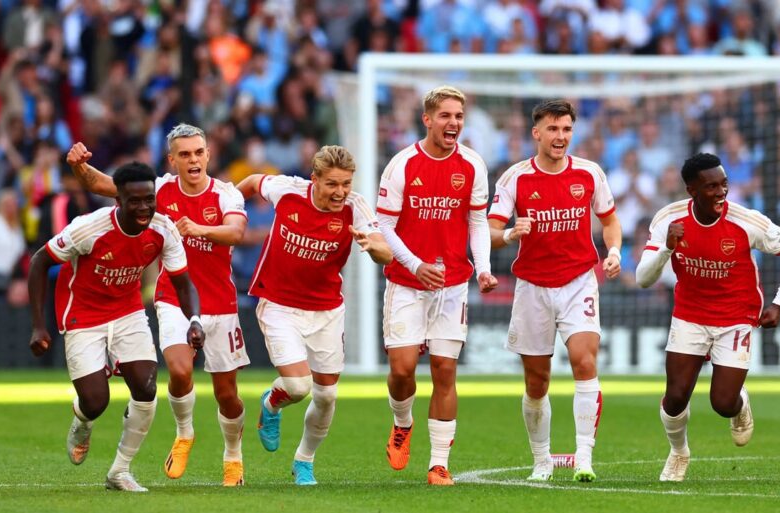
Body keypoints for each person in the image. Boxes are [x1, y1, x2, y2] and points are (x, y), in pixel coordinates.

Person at [66, 123, 250, 486]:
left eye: (199, 152)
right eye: (185, 154)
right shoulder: (160, 189)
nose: (193, 160)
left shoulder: (226, 194)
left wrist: (199, 229)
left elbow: (236, 233)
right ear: (172, 160)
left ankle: (233, 455)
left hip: (220, 303)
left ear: (208, 155)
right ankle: (184, 433)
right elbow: (103, 185)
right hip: (173, 297)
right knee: (179, 371)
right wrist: (78, 166)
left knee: (227, 395)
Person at [27, 162, 205, 492]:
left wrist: (194, 319)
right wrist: (38, 326)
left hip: (127, 311)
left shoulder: (164, 229)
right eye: (134, 201)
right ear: (118, 200)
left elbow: (183, 284)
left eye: (149, 199)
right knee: (96, 401)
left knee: (146, 388)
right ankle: (82, 420)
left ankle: (119, 472)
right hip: (83, 314)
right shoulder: (89, 228)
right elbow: (39, 261)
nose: (144, 207)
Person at [636, 153, 780, 482]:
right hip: (690, 314)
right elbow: (643, 279)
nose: (721, 192)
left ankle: (739, 403)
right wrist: (668, 248)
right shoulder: (668, 220)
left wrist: (779, 304)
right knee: (675, 397)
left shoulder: (746, 221)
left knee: (722, 403)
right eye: (711, 186)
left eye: (724, 184)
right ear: (692, 190)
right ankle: (678, 453)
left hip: (736, 316)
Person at [236, 145, 392, 486]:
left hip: (326, 310)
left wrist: (374, 248)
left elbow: (384, 250)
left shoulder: (355, 207)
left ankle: (304, 461)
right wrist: (230, 213)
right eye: (332, 184)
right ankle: (271, 405)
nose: (340, 192)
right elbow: (250, 183)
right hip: (278, 304)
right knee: (297, 385)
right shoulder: (288, 190)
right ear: (315, 179)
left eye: (346, 184)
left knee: (326, 396)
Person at [488, 99, 622, 483]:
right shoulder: (515, 178)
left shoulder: (590, 173)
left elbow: (610, 221)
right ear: (537, 133)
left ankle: (584, 457)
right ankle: (542, 460)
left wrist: (613, 252)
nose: (560, 136)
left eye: (566, 129)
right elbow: (489, 232)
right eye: (553, 129)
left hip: (579, 281)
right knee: (537, 382)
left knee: (584, 361)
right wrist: (510, 234)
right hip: (532, 287)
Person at [375, 85, 498, 486]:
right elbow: (384, 226)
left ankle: (439, 464)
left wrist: (483, 268)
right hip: (406, 283)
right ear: (427, 119)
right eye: (445, 115)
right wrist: (415, 265)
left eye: (458, 116)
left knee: (445, 370)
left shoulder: (473, 165)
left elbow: (478, 222)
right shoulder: (402, 165)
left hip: (452, 284)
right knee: (402, 370)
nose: (453, 123)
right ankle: (402, 423)